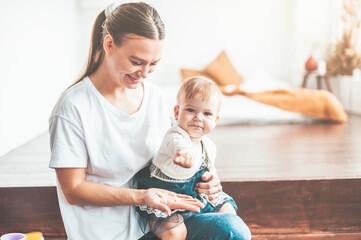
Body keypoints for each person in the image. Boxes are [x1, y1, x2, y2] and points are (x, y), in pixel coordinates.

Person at [48, 1, 251, 240]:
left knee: (233, 229)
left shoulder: (154, 97)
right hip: (109, 232)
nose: (144, 74)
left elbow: (172, 155)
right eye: (136, 62)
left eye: (153, 64)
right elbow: (73, 190)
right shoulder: (73, 107)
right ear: (109, 44)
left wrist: (206, 179)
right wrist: (142, 197)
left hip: (159, 218)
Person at [136, 77, 241, 240]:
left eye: (207, 113)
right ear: (177, 112)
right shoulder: (175, 135)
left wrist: (212, 180)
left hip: (195, 195)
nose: (198, 117)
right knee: (176, 234)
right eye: (191, 110)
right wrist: (183, 154)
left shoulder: (209, 145)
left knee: (228, 209)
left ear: (216, 119)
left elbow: (211, 170)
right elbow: (176, 145)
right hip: (168, 197)